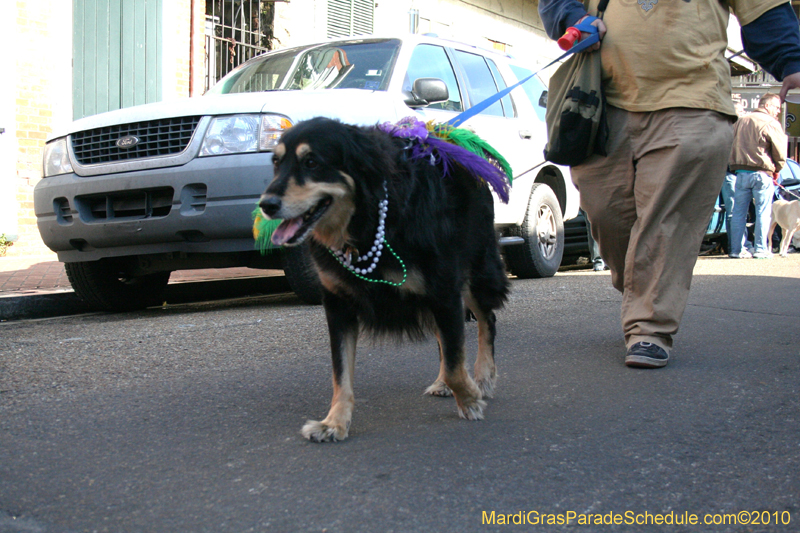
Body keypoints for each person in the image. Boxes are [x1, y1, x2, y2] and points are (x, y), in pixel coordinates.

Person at [538, 0, 800, 368]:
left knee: (665, 220)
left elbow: (763, 9)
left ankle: (649, 327)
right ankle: (642, 291)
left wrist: (792, 61)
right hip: (603, 100)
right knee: (606, 213)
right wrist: (574, 18)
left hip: (694, 101)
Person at [728, 93, 787, 259]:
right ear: (767, 106)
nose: (778, 111)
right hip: (762, 173)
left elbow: (730, 144)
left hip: (740, 172)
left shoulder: (741, 121)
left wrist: (734, 165)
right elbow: (780, 151)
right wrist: (778, 168)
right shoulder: (771, 123)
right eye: (777, 107)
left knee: (738, 212)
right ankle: (760, 248)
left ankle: (736, 249)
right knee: (763, 211)